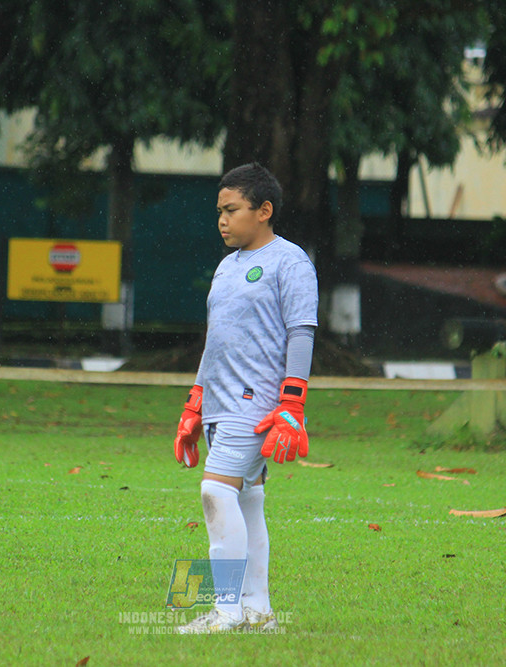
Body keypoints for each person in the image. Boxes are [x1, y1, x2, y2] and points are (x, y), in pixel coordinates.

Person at [173, 162, 318, 634]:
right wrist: (195, 404)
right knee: (249, 502)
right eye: (219, 210)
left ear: (264, 210)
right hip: (221, 405)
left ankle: (226, 612)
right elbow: (219, 341)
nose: (222, 219)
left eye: (231, 210)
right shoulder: (226, 267)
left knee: (215, 492)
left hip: (254, 407)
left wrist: (292, 405)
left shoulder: (290, 262)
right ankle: (257, 611)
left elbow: (301, 334)